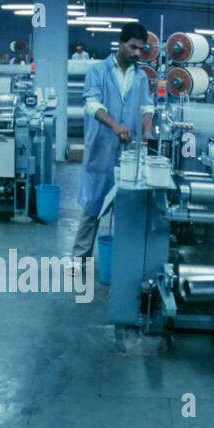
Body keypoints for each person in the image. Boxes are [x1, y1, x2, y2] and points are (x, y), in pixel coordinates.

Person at [70, 21, 154, 272]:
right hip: (101, 147)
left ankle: (122, 262)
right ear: (120, 44)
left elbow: (147, 107)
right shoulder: (98, 71)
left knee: (127, 206)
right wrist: (115, 126)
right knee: (93, 204)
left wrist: (147, 130)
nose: (137, 53)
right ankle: (78, 259)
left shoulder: (141, 76)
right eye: (133, 47)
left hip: (129, 152)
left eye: (141, 49)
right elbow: (92, 105)